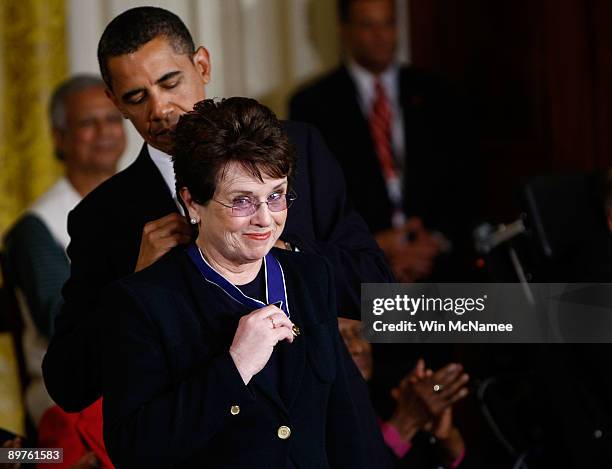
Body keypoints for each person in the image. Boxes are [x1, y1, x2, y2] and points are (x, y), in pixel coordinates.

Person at [42, 6, 393, 414]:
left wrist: (284, 250)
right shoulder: (101, 217)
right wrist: (132, 282)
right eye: (136, 97)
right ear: (114, 101)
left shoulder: (300, 150)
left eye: (170, 82)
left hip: (325, 425)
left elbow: (378, 292)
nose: (159, 110)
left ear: (202, 65)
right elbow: (67, 383)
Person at [98, 97, 393, 469]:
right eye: (242, 201)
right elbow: (134, 450)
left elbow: (344, 421)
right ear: (191, 202)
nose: (265, 220)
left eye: (276, 196)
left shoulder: (310, 276)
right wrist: (234, 366)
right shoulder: (141, 302)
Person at [290, 0, 480, 282]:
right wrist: (375, 245)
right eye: (369, 25)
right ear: (344, 30)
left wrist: (433, 243)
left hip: (441, 266)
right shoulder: (312, 104)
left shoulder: (439, 93)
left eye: (388, 23)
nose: (382, 36)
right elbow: (314, 201)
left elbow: (465, 180)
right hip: (357, 272)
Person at [2, 75, 125, 426]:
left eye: (113, 118)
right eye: (88, 122)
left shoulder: (140, 200)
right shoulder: (36, 227)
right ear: (59, 137)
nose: (105, 131)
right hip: (71, 399)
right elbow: (61, 323)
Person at [338, 317, 467, 468]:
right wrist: (405, 422)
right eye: (340, 339)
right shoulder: (319, 419)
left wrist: (447, 438)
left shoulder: (393, 397)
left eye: (359, 334)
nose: (357, 348)